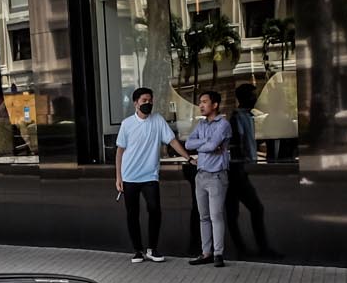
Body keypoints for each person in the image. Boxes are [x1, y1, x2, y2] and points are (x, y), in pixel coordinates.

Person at [114, 86, 193, 262]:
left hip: (150, 176)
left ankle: (152, 249)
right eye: (144, 101)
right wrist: (118, 177)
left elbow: (172, 141)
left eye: (150, 100)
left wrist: (189, 158)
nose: (148, 103)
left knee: (155, 210)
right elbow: (119, 152)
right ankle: (137, 250)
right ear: (136, 103)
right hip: (129, 177)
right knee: (132, 214)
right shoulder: (127, 124)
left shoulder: (158, 120)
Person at [226, 83, 278, 259]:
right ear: (245, 98)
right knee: (254, 208)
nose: (256, 99)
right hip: (235, 171)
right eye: (253, 95)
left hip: (240, 170)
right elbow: (237, 145)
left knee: (234, 211)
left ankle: (244, 249)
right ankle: (255, 248)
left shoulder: (248, 116)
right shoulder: (237, 118)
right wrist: (241, 167)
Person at [186, 90, 231, 267]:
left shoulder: (224, 124)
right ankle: (206, 253)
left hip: (217, 176)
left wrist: (207, 144)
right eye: (200, 102)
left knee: (216, 216)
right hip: (201, 175)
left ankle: (218, 254)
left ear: (215, 105)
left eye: (205, 102)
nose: (201, 105)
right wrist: (207, 143)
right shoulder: (201, 124)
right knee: (203, 217)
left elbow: (213, 145)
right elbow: (189, 144)